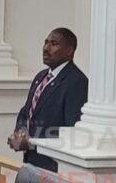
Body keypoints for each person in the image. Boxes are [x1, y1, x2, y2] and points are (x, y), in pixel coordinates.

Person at [8, 27, 88, 172]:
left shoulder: (76, 81)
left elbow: (72, 130)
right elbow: (25, 112)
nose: (46, 48)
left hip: (53, 167)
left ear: (69, 51)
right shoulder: (41, 76)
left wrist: (32, 142)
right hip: (31, 162)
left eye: (54, 44)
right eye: (45, 43)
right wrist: (20, 133)